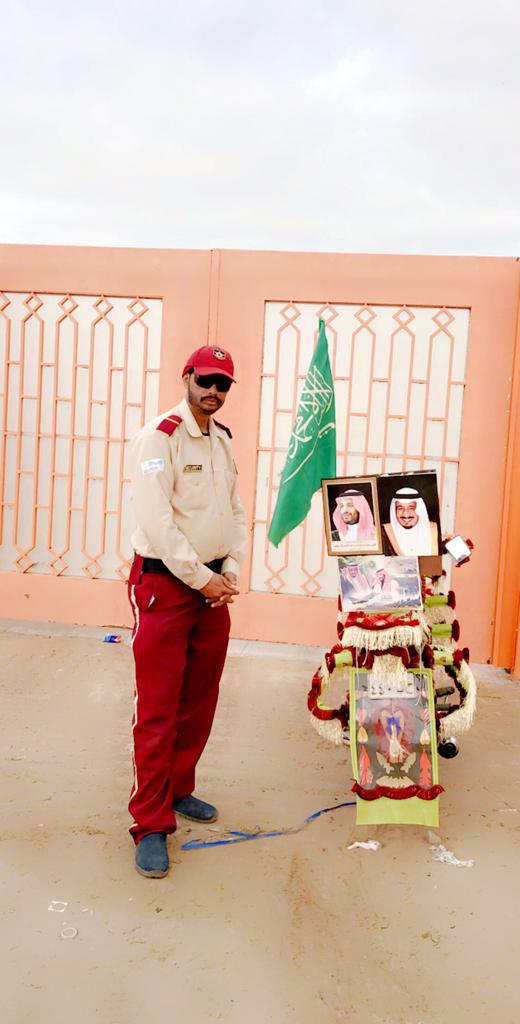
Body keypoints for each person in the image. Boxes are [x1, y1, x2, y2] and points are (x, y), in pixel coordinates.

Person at [127, 345, 247, 878]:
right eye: (206, 380)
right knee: (158, 708)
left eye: (223, 384)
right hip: (166, 585)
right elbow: (157, 522)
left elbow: (235, 511)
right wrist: (203, 579)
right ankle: (150, 823)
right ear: (187, 377)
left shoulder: (222, 439)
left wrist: (231, 569)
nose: (213, 391)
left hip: (213, 587)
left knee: (199, 699)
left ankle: (178, 789)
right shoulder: (160, 437)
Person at [383, 486, 439, 556]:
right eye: (400, 508)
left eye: (411, 508)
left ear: (420, 510)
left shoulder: (435, 530)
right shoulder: (383, 533)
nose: (406, 514)